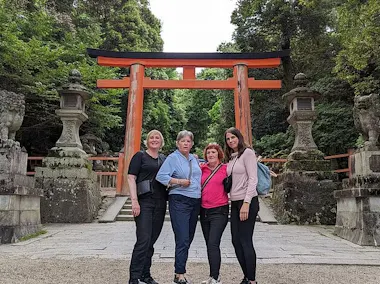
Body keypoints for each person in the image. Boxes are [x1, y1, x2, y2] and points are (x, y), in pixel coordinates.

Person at [156, 130, 201, 284]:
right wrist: (179, 182)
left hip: (195, 201)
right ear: (177, 143)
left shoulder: (194, 159)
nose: (186, 144)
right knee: (182, 238)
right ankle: (179, 273)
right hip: (179, 200)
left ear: (192, 144)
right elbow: (161, 176)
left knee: (188, 237)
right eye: (183, 141)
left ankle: (180, 268)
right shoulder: (172, 158)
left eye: (188, 141)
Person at [128, 130, 167, 284]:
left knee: (151, 240)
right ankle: (134, 276)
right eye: (152, 137)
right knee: (143, 239)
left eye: (157, 137)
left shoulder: (164, 159)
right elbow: (131, 178)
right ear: (147, 140)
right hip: (144, 201)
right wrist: (134, 200)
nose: (154, 140)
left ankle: (146, 274)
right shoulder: (140, 156)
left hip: (160, 201)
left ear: (161, 141)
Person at [224, 127, 260, 284]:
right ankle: (246, 275)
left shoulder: (248, 153)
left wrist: (247, 202)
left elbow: (253, 179)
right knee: (235, 240)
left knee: (245, 240)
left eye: (233, 137)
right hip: (235, 202)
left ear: (239, 137)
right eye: (228, 138)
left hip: (248, 202)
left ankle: (252, 280)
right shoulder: (231, 158)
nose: (231, 140)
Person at [200, 143, 229, 284]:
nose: (211, 155)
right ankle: (213, 276)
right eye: (208, 152)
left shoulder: (226, 169)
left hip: (220, 210)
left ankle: (216, 278)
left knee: (213, 243)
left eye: (213, 152)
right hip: (204, 210)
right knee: (209, 244)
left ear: (219, 154)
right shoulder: (202, 169)